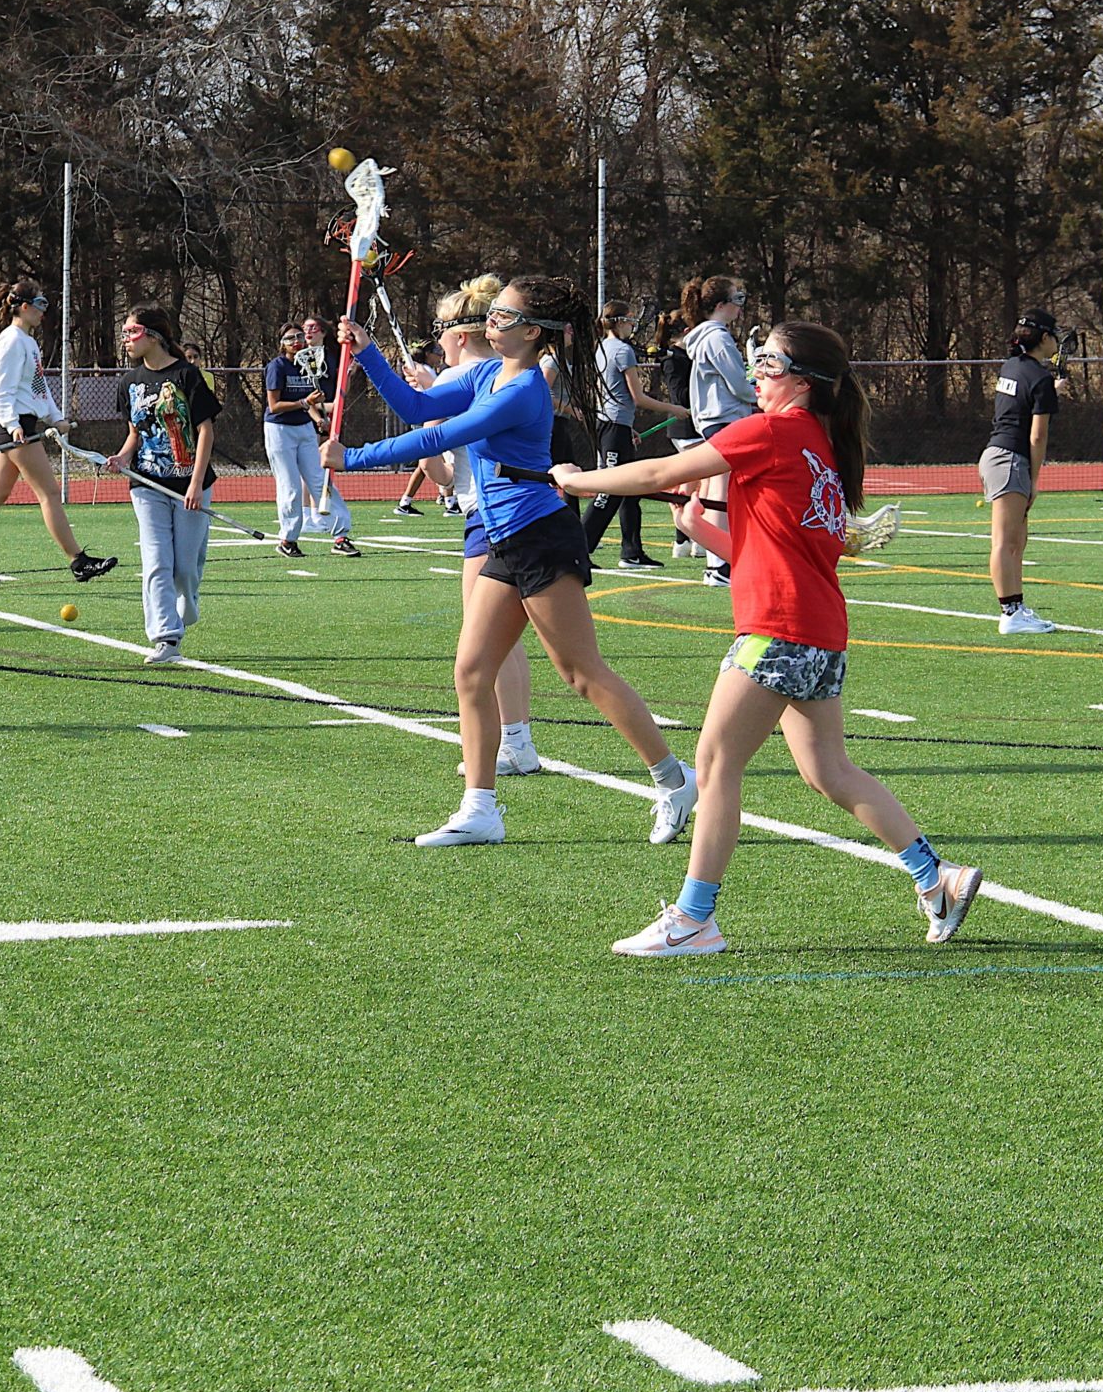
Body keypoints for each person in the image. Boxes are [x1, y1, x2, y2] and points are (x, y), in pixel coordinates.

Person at [552, 321, 982, 955]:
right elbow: (779, 549)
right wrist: (700, 529)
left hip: (780, 628)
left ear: (801, 380)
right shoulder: (819, 444)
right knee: (828, 771)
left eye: (768, 362)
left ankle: (695, 918)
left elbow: (656, 474)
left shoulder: (771, 431)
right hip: (816, 628)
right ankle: (934, 877)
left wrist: (577, 480)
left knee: (715, 764)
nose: (754, 372)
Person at [326, 274, 698, 848]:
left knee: (582, 674)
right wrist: (368, 351)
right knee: (471, 673)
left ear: (531, 331)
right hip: (501, 540)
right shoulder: (483, 372)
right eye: (490, 314)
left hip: (540, 537)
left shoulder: (522, 389)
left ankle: (674, 781)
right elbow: (418, 405)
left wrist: (354, 457)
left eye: (502, 316)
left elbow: (438, 436)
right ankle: (480, 809)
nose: (488, 323)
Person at [421, 278, 545, 778]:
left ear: (458, 335)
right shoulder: (475, 375)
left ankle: (512, 744)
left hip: (493, 518)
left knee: (484, 645)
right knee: (501, 638)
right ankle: (518, 740)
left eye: (440, 332)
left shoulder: (463, 378)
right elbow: (449, 476)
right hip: (487, 513)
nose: (437, 342)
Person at [0, 281, 118, 586]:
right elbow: (1, 391)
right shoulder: (11, 341)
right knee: (50, 493)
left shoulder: (28, 343)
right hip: (12, 425)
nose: (45, 311)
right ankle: (78, 561)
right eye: (41, 304)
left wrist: (55, 418)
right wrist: (13, 424)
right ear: (24, 307)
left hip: (20, 422)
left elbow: (37, 388)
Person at [109, 304, 224, 665]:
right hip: (146, 484)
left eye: (132, 332)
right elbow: (135, 434)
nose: (126, 339)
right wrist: (123, 457)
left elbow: (205, 429)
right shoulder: (129, 383)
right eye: (125, 333)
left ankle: (186, 603)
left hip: (190, 483)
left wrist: (194, 482)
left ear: (154, 336)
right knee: (156, 561)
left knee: (185, 568)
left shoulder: (188, 376)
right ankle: (166, 637)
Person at [581, 300, 684, 568]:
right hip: (613, 425)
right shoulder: (621, 350)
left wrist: (629, 428)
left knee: (630, 490)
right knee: (611, 491)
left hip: (616, 425)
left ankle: (632, 551)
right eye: (630, 321)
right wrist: (674, 409)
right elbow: (637, 398)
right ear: (618, 322)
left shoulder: (602, 347)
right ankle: (578, 549)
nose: (632, 327)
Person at [982, 308, 1061, 634]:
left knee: (1017, 541)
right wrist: (1034, 478)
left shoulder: (1012, 366)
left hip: (997, 455)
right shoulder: (1040, 378)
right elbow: (1038, 435)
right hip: (1011, 459)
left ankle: (1017, 607)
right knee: (1005, 541)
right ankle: (1009, 613)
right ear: (1044, 338)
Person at [683, 275, 758, 586]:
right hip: (724, 420)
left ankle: (718, 563)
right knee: (723, 492)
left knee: (718, 490)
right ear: (722, 305)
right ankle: (719, 565)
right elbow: (739, 386)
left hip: (716, 420)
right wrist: (761, 388)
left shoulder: (710, 337)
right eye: (737, 300)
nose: (740, 307)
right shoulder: (717, 337)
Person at [262, 321, 332, 559]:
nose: (297, 341)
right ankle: (288, 539)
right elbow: (275, 406)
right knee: (290, 486)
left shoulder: (306, 365)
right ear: (282, 344)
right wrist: (305, 404)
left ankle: (340, 533)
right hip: (280, 429)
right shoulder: (277, 367)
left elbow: (307, 401)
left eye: (299, 336)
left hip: (303, 427)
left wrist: (318, 418)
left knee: (318, 479)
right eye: (290, 338)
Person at [654, 309, 698, 558]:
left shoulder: (687, 356)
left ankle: (689, 539)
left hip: (695, 427)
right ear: (686, 331)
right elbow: (679, 395)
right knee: (689, 487)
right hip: (685, 428)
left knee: (695, 486)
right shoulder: (674, 359)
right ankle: (682, 539)